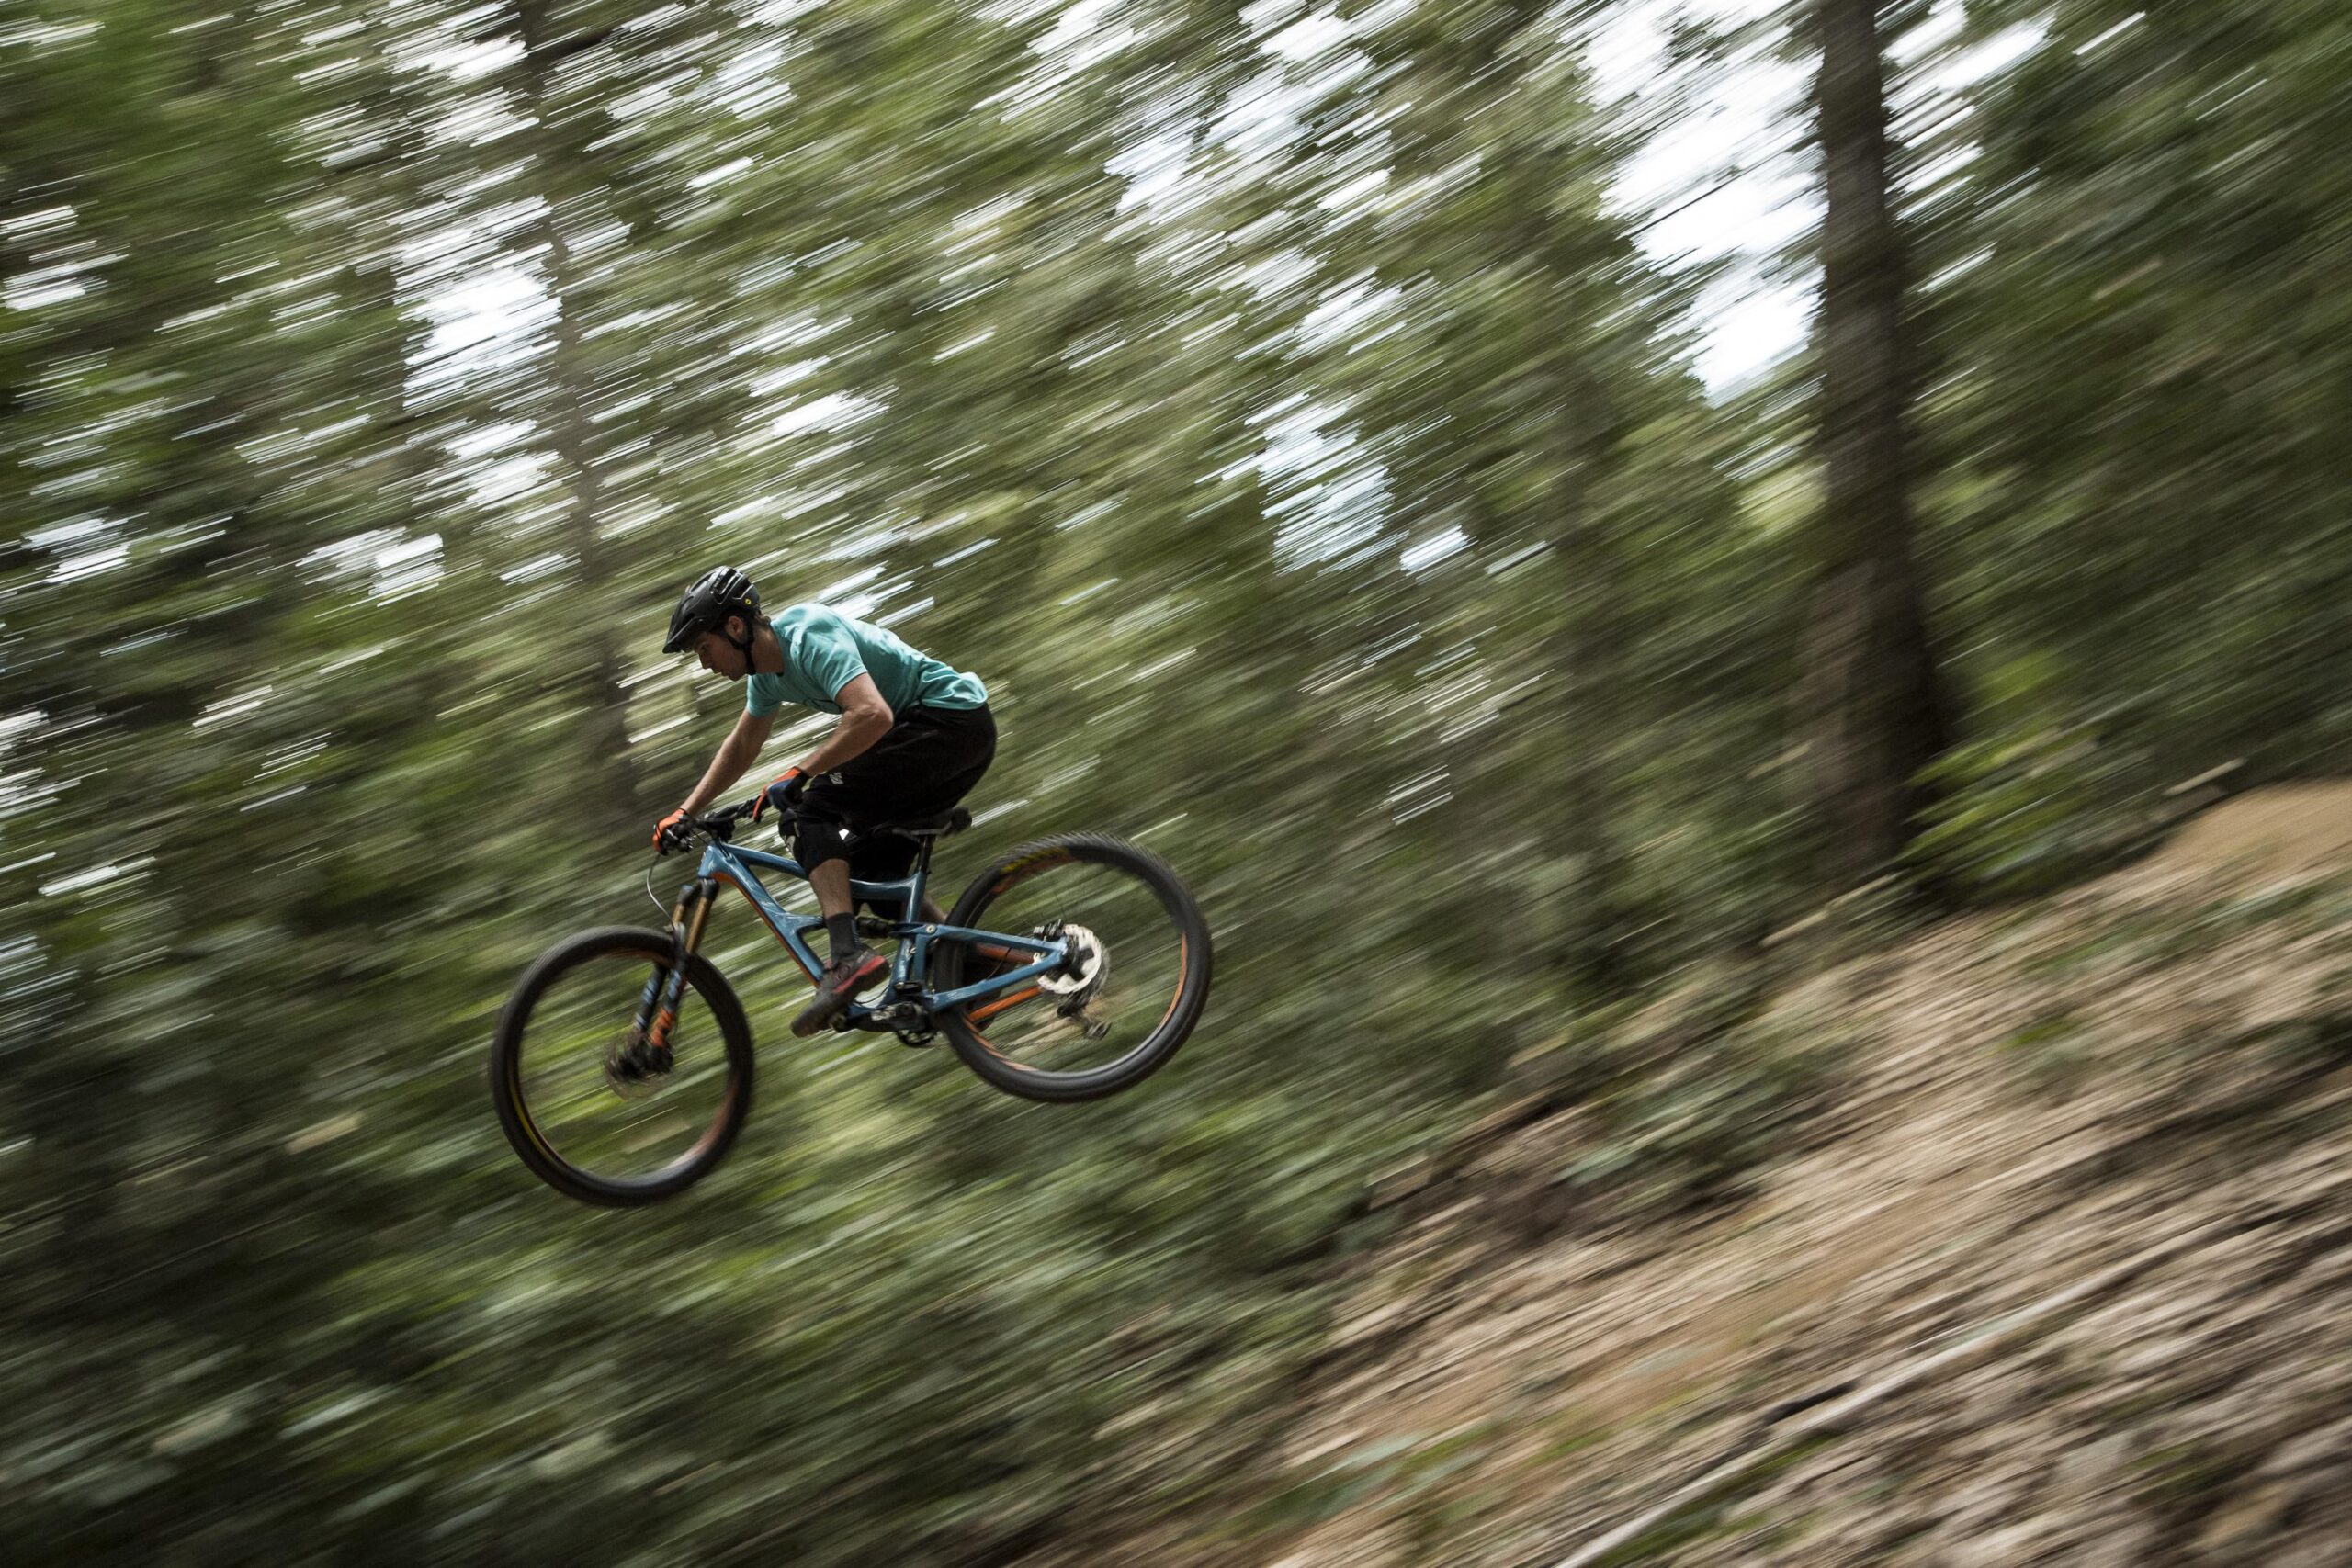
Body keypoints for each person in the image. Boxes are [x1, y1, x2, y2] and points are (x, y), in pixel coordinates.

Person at [650, 565, 996, 1036]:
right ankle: (973, 962)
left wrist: (800, 773)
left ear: (735, 627)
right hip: (930, 741)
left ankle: (847, 957)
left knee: (808, 811)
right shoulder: (766, 679)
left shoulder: (809, 634)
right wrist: (685, 812)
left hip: (948, 722)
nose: (704, 663)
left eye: (703, 648)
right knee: (866, 873)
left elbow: (872, 714)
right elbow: (741, 746)